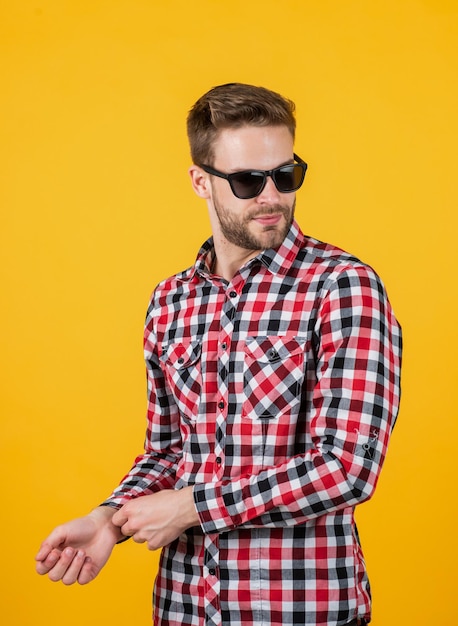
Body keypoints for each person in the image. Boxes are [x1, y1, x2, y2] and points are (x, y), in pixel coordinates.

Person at [35, 83, 402, 626]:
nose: (272, 196)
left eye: (287, 174)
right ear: (200, 181)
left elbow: (347, 468)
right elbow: (167, 452)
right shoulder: (170, 302)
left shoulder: (343, 287)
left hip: (300, 611)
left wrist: (190, 509)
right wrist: (109, 520)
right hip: (184, 607)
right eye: (249, 180)